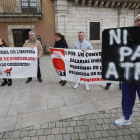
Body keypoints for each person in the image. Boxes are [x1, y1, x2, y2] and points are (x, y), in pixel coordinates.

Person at [114, 14, 140, 126]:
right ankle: (126, 118)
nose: (139, 22)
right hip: (128, 74)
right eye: (138, 20)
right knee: (127, 98)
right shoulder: (128, 36)